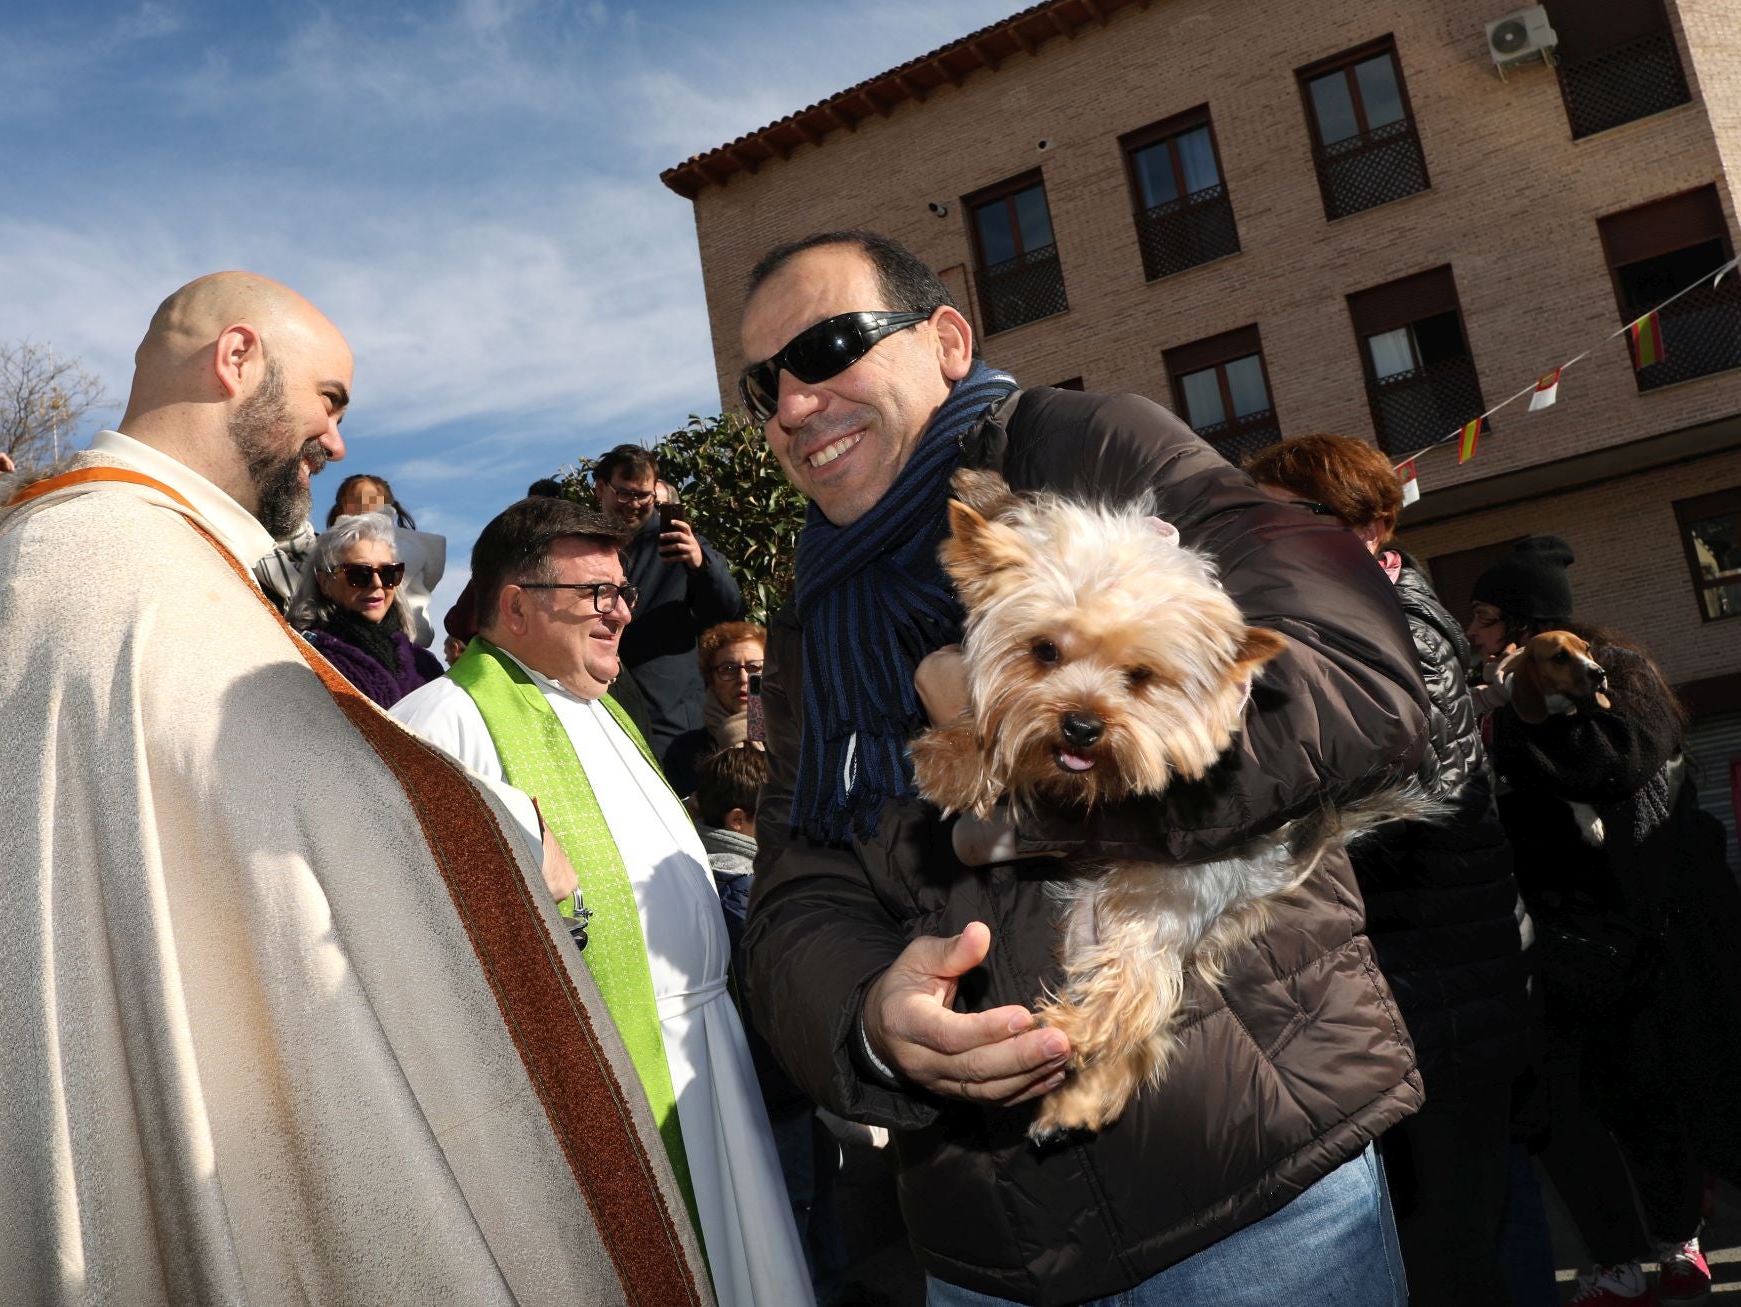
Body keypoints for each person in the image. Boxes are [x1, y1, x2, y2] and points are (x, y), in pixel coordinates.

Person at [0, 272, 708, 1305]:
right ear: (235, 361)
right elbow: (318, 792)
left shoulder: (93, 551)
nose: (338, 441)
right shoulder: (111, 556)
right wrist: (508, 822)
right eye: (330, 398)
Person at [738, 230, 1432, 1307]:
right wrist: (869, 1020)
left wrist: (1061, 753)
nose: (792, 404)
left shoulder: (1090, 447)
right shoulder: (812, 616)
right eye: (762, 383)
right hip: (988, 1248)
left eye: (829, 348)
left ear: (949, 340)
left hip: (1252, 1189)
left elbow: (1361, 674)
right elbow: (795, 893)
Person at [390, 495, 814, 1307]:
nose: (621, 611)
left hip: (710, 1055)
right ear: (515, 603)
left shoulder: (606, 713)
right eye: (596, 594)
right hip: (606, 1071)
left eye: (623, 591)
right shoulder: (441, 723)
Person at [1246, 433, 1536, 1306]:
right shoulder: (1350, 619)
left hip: (1439, 1002)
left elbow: (1418, 807)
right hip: (1417, 996)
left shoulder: (1401, 630)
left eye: (1288, 518)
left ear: (1369, 528)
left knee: (1449, 1251)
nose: (1263, 537)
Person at [1467, 539, 1741, 1307]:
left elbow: (1609, 770)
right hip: (1553, 939)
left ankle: (1677, 1239)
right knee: (1568, 1104)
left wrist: (1528, 709)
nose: (1475, 633)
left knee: (1663, 1091)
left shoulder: (1617, 670)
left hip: (1653, 935)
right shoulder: (1492, 691)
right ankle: (1620, 1254)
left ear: (1523, 622)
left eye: (1486, 618)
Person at [696, 741, 849, 1307]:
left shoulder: (740, 882)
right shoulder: (740, 897)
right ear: (741, 820)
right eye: (779, 811)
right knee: (797, 1219)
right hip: (776, 1094)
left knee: (817, 1207)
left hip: (787, 1094)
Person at [591, 443, 745, 760]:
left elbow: (729, 609)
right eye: (624, 494)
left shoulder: (678, 543)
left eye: (643, 496)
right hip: (603, 716)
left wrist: (701, 564)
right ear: (601, 489)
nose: (633, 504)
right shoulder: (583, 548)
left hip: (673, 724)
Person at [285, 511, 444, 709]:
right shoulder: (304, 658)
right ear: (325, 582)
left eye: (389, 573)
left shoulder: (424, 664)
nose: (377, 583)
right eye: (360, 574)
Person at [323, 472, 444, 648]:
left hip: (404, 635)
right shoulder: (331, 543)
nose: (365, 505)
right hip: (348, 634)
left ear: (388, 505)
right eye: (357, 499)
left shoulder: (407, 544)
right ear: (341, 508)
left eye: (372, 499)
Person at [665, 619, 767, 796]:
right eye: (728, 669)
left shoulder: (795, 740)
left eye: (753, 667)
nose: (743, 678)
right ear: (711, 680)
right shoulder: (686, 751)